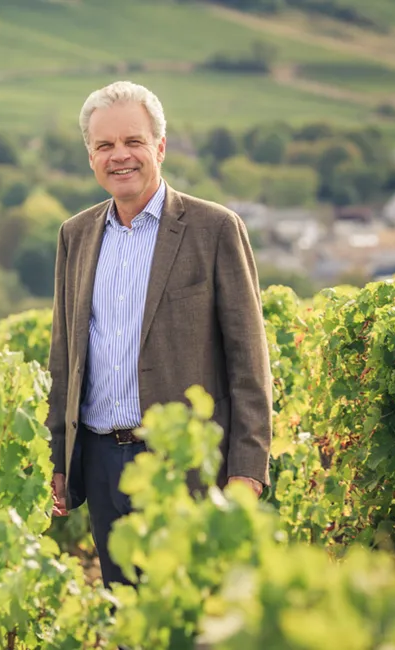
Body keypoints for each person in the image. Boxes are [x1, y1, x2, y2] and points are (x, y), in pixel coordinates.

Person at [46, 81, 272, 587]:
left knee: (194, 621)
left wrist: (247, 471)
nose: (119, 155)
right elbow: (65, 358)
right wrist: (61, 457)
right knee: (128, 619)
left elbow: (249, 364)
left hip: (187, 468)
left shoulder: (215, 229)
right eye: (104, 145)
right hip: (104, 464)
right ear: (90, 156)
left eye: (134, 141)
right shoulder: (74, 235)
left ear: (160, 147)